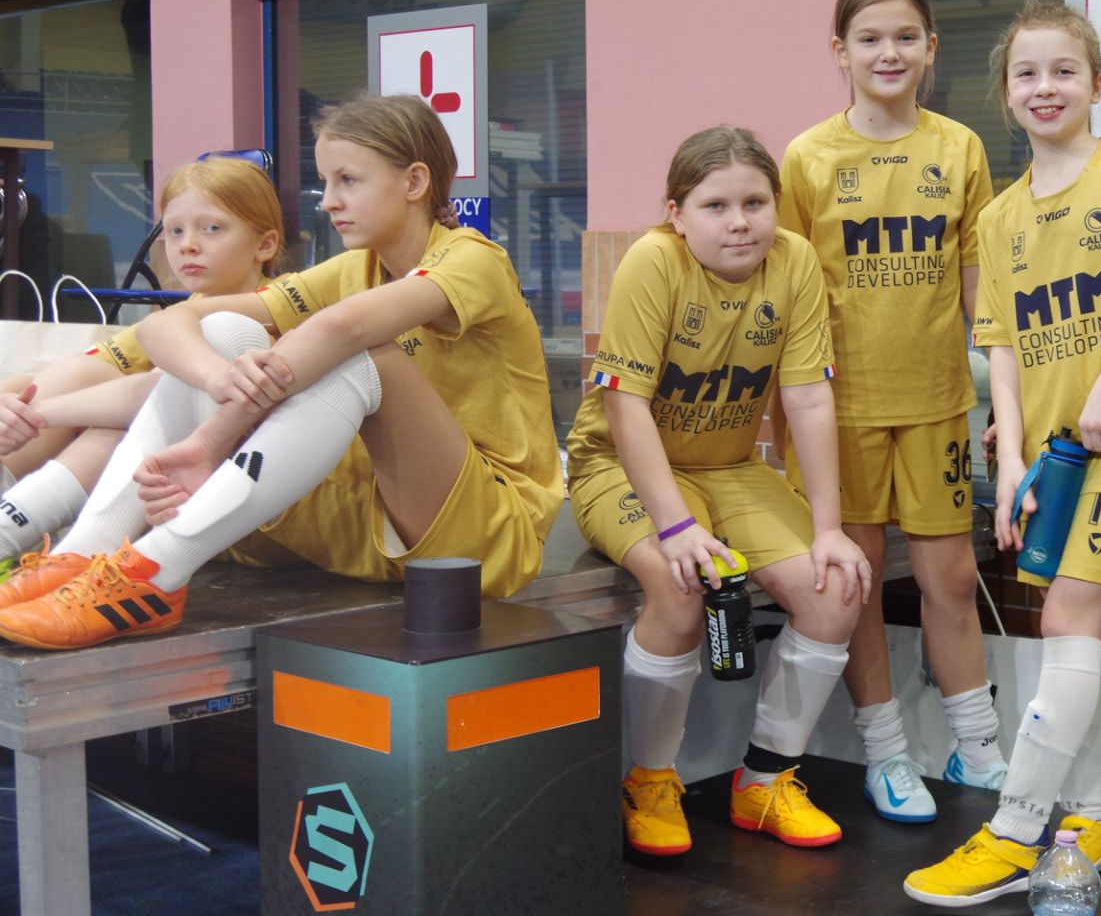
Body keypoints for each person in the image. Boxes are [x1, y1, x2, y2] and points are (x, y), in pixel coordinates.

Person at [0, 94, 563, 649]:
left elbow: (343, 329)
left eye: (348, 180)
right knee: (224, 330)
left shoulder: (474, 258)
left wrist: (210, 440)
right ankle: (84, 552)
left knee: (366, 356)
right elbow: (170, 325)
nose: (329, 201)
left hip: (482, 538)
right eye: (327, 182)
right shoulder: (352, 268)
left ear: (415, 182)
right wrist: (217, 377)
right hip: (365, 525)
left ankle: (155, 571)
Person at [904, 0, 1101, 905]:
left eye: (1065, 70)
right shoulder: (998, 218)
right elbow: (1000, 346)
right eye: (1027, 73)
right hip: (1050, 460)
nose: (1046, 87)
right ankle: (1091, 818)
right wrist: (1008, 464)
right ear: (1006, 91)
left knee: (1071, 615)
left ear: (1097, 84)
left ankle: (1014, 831)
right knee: (1072, 629)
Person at [565, 125, 870, 855]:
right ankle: (648, 780)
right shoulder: (653, 262)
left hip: (729, 467)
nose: (739, 222)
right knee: (679, 588)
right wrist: (675, 528)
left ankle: (763, 782)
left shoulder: (794, 261)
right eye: (715, 206)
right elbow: (625, 406)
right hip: (619, 464)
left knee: (835, 589)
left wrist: (829, 528)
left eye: (755, 203)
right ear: (676, 213)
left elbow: (808, 398)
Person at [777, 0, 1006, 822]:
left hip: (939, 404)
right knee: (858, 584)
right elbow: (789, 297)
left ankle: (977, 747)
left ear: (931, 48)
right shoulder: (807, 157)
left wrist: (1007, 406)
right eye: (869, 38)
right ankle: (885, 753)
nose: (889, 52)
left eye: (906, 36)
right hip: (839, 413)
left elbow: (982, 295)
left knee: (952, 577)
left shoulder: (961, 149)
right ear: (839, 52)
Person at [0, 154, 284, 579]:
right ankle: (22, 528)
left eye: (212, 229)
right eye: (175, 230)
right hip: (175, 493)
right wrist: (10, 405)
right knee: (78, 377)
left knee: (132, 409)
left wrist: (36, 413)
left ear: (265, 244)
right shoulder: (187, 311)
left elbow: (152, 395)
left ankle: (22, 535)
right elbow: (84, 369)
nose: (187, 244)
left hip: (252, 506)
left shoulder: (277, 309)